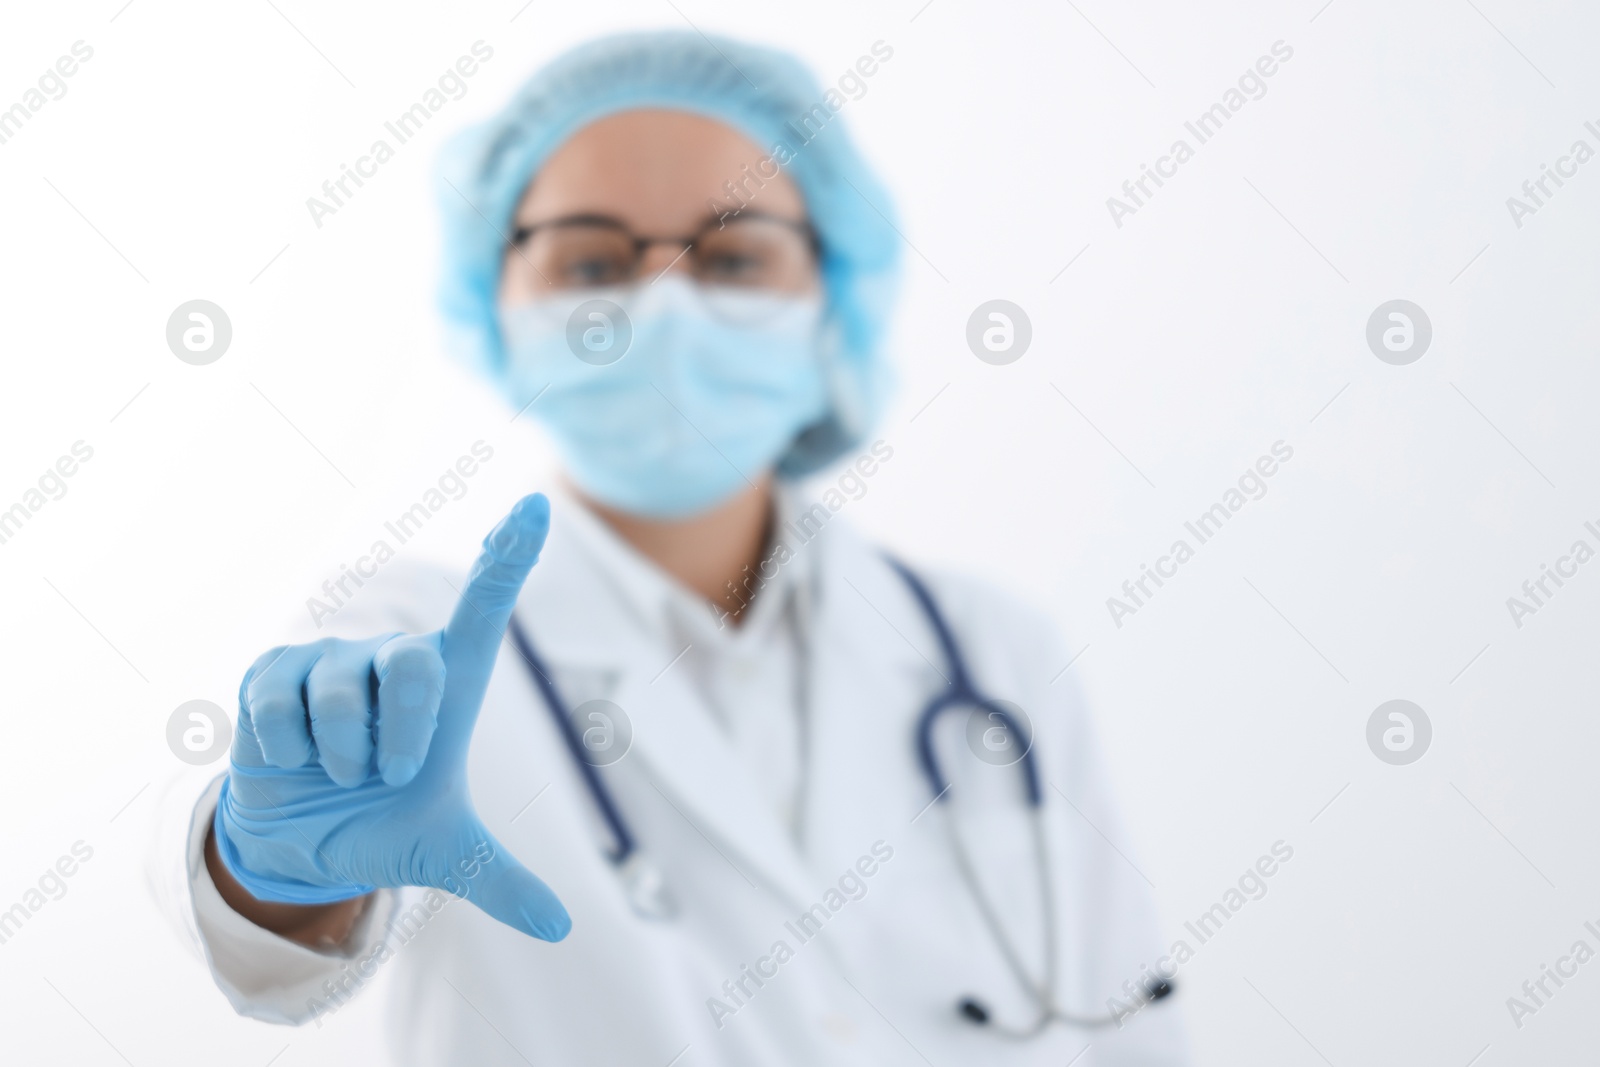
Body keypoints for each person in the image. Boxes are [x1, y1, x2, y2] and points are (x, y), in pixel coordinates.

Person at [172, 30, 1189, 1066]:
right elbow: (269, 947)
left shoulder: (994, 650)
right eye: (593, 260)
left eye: (736, 255)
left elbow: (1132, 1021)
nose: (660, 306)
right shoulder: (403, 640)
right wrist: (278, 870)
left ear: (831, 292)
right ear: (495, 298)